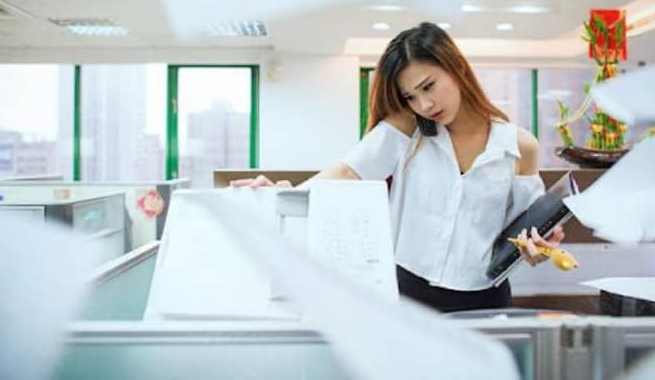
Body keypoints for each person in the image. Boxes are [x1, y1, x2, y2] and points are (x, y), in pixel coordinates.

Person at [232, 22, 564, 312]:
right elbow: (348, 172)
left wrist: (539, 247)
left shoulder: (519, 146)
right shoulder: (408, 129)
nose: (424, 105)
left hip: (484, 300)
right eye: (410, 97)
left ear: (456, 67)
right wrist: (284, 192)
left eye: (428, 86)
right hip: (405, 295)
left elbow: (522, 233)